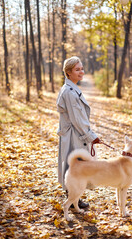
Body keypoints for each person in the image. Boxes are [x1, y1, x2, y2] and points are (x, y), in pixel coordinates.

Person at [56, 56, 101, 208]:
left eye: (81, 68)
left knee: (75, 165)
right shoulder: (69, 91)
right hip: (73, 135)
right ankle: (73, 198)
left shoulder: (72, 88)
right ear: (68, 72)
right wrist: (91, 136)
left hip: (75, 134)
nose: (81, 72)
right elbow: (77, 119)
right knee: (74, 166)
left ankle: (73, 197)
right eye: (77, 69)